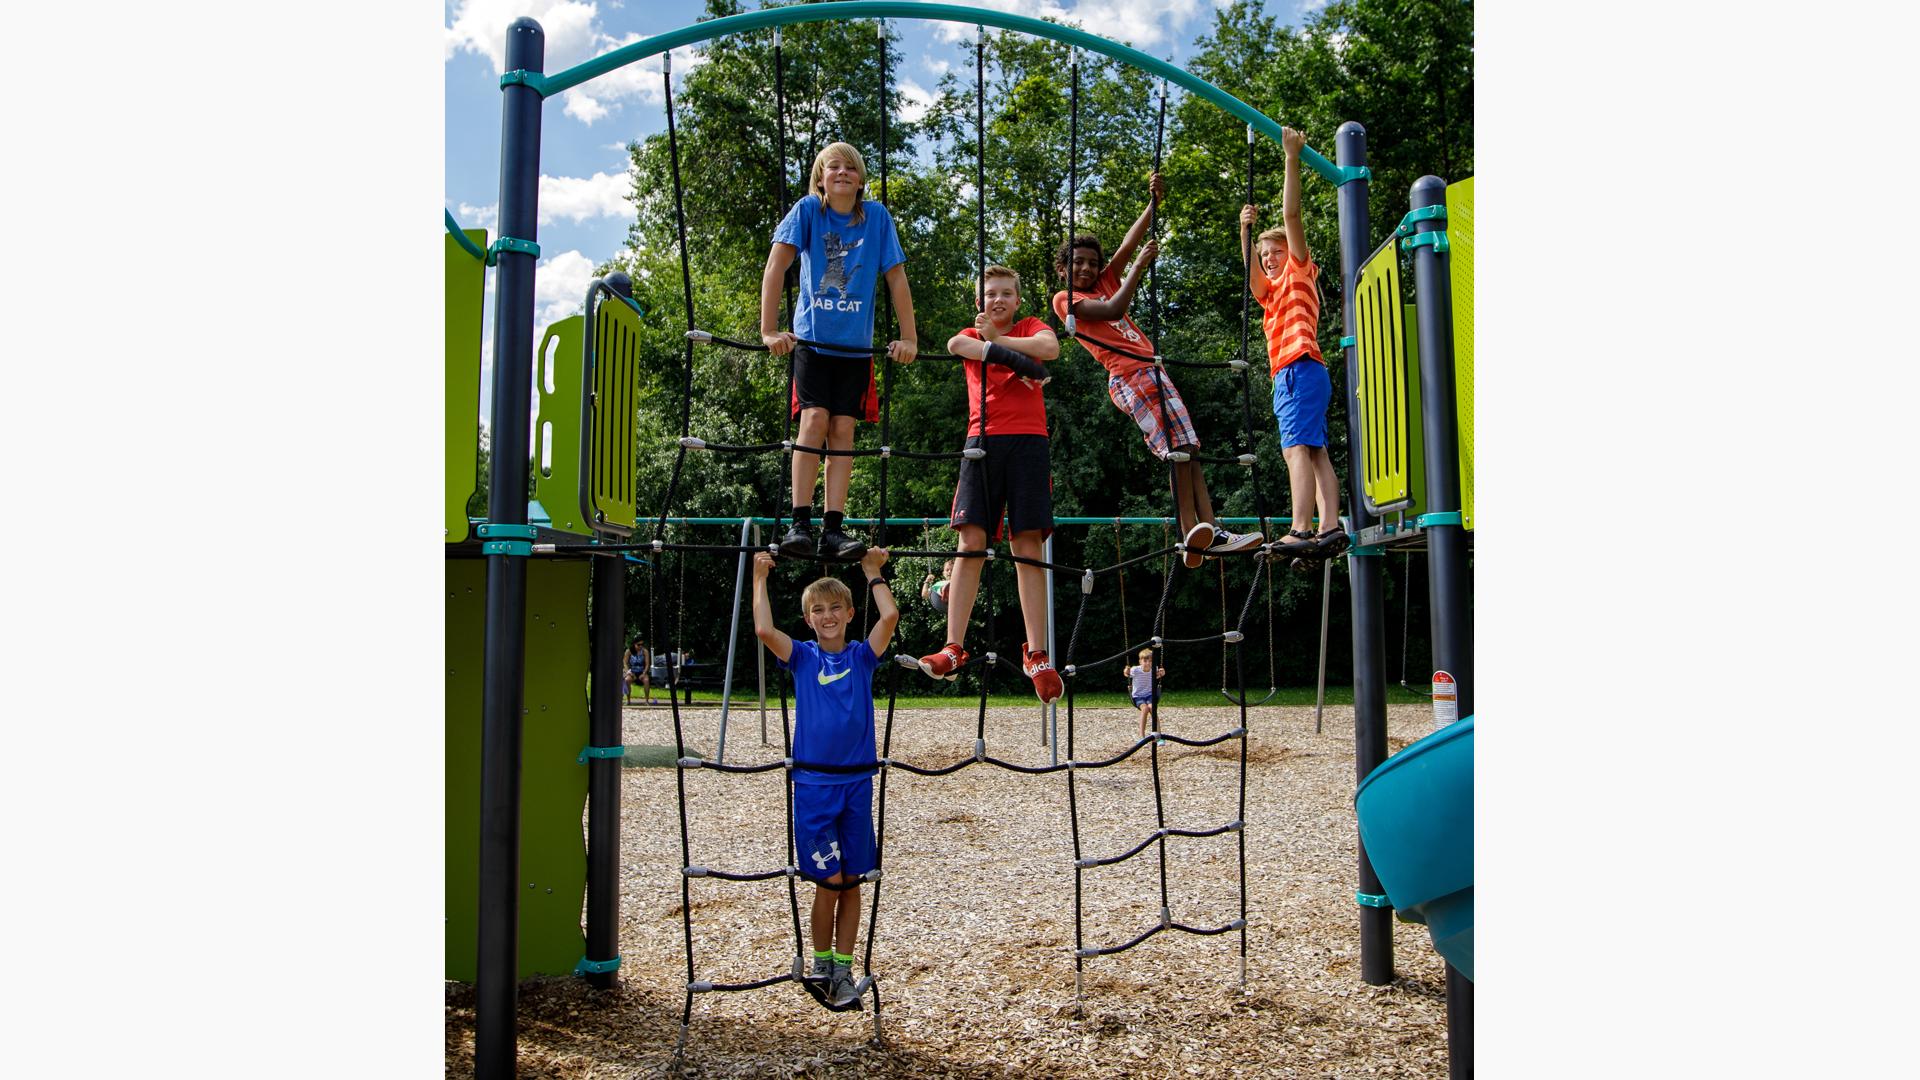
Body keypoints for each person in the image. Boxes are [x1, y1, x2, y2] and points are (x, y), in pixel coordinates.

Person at [1053, 172, 1261, 568]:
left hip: (1152, 370)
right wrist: (1140, 267)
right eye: (1078, 263)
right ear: (1063, 268)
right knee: (1176, 451)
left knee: (1190, 447)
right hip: (1130, 377)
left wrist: (1153, 204)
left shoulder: (1104, 279)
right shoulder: (1066, 299)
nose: (1087, 268)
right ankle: (1190, 532)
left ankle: (1210, 529)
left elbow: (1130, 241)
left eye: (1093, 263)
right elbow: (1113, 309)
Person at [751, 546, 899, 1008]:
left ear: (851, 613)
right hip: (814, 786)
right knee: (829, 881)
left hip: (856, 783)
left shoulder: (862, 657)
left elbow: (890, 617)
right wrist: (759, 579)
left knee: (853, 880)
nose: (828, 615)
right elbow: (762, 629)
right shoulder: (802, 657)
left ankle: (843, 968)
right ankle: (819, 963)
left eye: (836, 607)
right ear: (809, 620)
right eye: (819, 610)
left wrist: (872, 572)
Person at [761, 142, 919, 563]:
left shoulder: (877, 218)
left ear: (861, 177)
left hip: (855, 349)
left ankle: (833, 528)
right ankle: (799, 522)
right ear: (821, 176)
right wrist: (769, 329)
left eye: (851, 167)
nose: (843, 173)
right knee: (814, 420)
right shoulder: (809, 211)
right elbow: (777, 265)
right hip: (813, 341)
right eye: (834, 167)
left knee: (844, 431)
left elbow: (897, 278)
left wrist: (909, 338)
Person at [914, 266, 1064, 703]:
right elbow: (956, 344)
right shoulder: (969, 332)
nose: (998, 300)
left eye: (1006, 294)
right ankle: (953, 647)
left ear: (1018, 300)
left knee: (1027, 546)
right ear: (980, 303)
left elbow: (1049, 348)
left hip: (1029, 442)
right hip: (982, 441)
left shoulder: (1030, 327)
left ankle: (1036, 653)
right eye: (990, 294)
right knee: (971, 543)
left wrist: (1000, 346)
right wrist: (1023, 364)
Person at [1240, 126, 1344, 558]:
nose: (1270, 259)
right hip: (1298, 373)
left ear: (1292, 253)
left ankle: (1301, 528)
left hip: (1298, 368)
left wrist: (1290, 157)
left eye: (1275, 252)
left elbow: (1292, 218)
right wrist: (1244, 235)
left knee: (1294, 448)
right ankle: (1330, 526)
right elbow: (1252, 278)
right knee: (1314, 450)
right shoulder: (1270, 297)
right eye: (1266, 256)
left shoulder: (1300, 270)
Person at [1123, 648, 1167, 741]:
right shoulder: (1135, 670)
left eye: (1150, 661)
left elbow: (1159, 675)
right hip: (1138, 696)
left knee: (1152, 708)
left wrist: (1162, 673)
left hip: (1150, 695)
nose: (1147, 663)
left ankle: (1158, 736)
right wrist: (1126, 670)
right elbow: (1126, 674)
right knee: (1145, 709)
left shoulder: (1154, 669)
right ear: (1140, 661)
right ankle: (1141, 736)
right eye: (1145, 661)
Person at [623, 639, 653, 705]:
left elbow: (647, 664)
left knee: (646, 680)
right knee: (627, 680)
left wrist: (644, 673)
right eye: (638, 645)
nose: (640, 646)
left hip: (642, 671)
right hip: (632, 671)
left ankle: (646, 701)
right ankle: (628, 700)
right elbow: (625, 662)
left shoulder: (645, 651)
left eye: (642, 645)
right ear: (634, 644)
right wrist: (628, 672)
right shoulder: (629, 651)